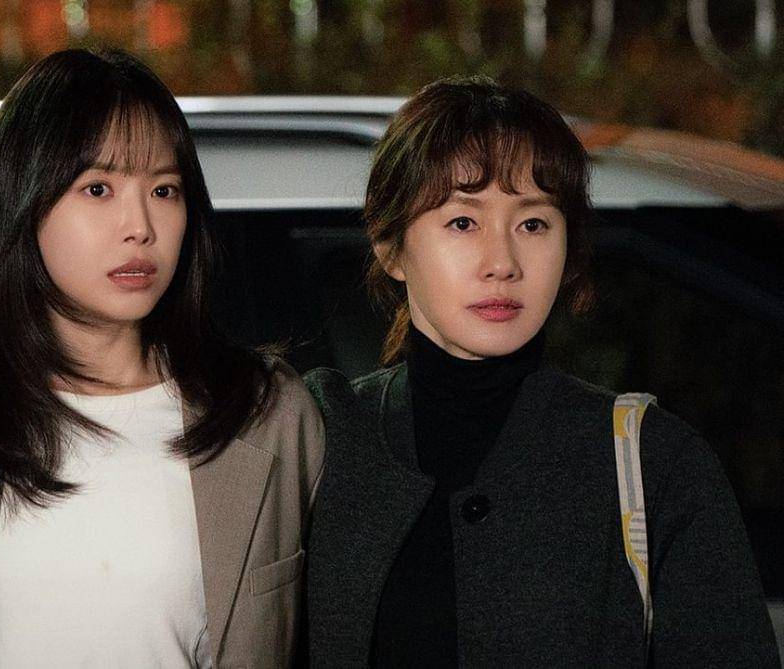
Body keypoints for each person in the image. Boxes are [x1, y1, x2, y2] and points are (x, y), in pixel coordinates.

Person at [0, 49, 324, 669]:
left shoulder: (268, 411)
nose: (140, 226)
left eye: (164, 189)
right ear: (23, 203)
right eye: (97, 188)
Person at [303, 78, 780, 667]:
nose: (502, 264)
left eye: (533, 224)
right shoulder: (317, 436)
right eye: (463, 222)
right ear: (390, 245)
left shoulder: (652, 461)